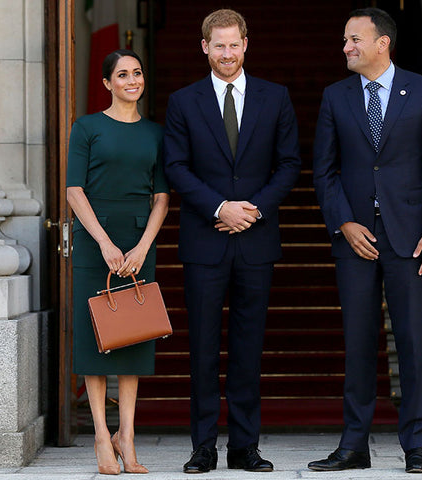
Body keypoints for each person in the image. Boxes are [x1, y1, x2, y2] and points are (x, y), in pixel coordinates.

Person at [310, 8, 422, 474]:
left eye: (355, 39)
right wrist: (345, 223)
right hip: (355, 240)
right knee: (358, 343)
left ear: (382, 43)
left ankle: (416, 446)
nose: (346, 47)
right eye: (344, 39)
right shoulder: (335, 96)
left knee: (413, 341)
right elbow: (324, 171)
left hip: (411, 239)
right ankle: (354, 446)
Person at [164, 8, 300, 474]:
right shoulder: (183, 101)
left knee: (248, 349)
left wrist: (253, 209)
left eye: (233, 44)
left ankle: (245, 448)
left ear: (246, 44)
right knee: (202, 350)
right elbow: (176, 166)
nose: (227, 53)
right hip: (205, 241)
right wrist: (221, 207)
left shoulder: (275, 97)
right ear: (204, 47)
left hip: (257, 241)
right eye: (217, 45)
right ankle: (203, 448)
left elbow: (289, 164)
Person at [67, 49, 170, 475]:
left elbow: (162, 196)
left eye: (137, 73)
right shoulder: (87, 127)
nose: (132, 80)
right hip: (97, 240)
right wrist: (105, 243)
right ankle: (99, 435)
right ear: (107, 83)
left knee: (133, 336)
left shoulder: (156, 133)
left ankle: (126, 435)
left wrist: (143, 245)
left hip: (138, 240)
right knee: (97, 341)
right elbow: (75, 191)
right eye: (122, 74)